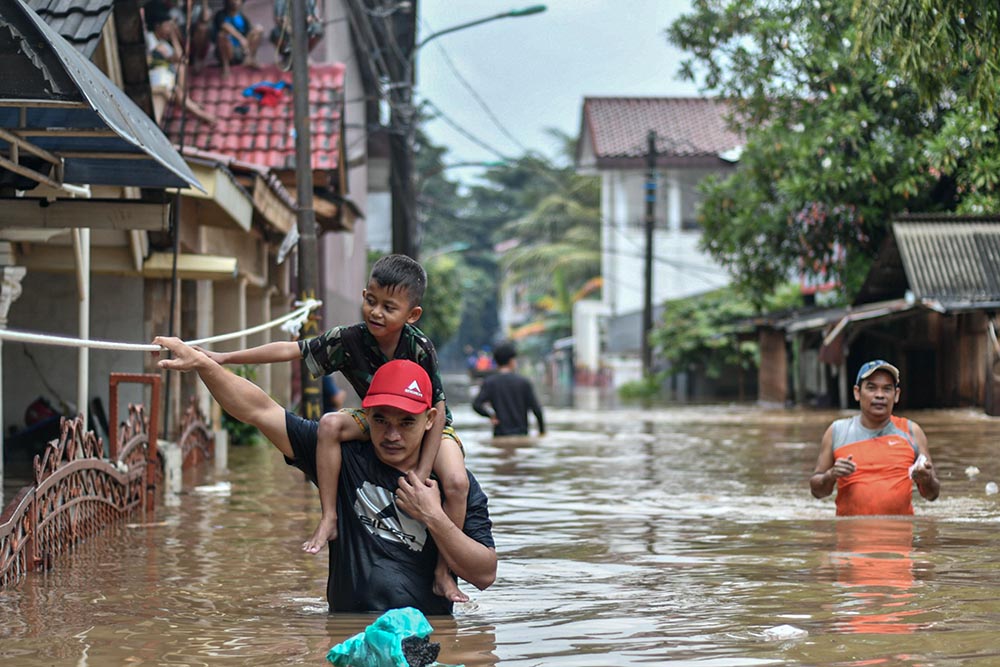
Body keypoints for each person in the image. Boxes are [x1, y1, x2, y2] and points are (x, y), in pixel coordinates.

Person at [194, 254, 470, 603]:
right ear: (363, 295)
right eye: (371, 301)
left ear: (412, 315)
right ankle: (328, 517)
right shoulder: (348, 339)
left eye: (389, 307)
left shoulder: (419, 347)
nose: (376, 313)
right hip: (373, 418)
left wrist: (421, 471)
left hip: (428, 426)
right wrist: (222, 358)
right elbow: (292, 350)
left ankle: (444, 573)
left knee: (457, 483)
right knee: (329, 423)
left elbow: (439, 411)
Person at [154, 338, 497, 615]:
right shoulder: (341, 459)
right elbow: (259, 409)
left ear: (430, 419)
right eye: (381, 420)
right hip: (347, 639)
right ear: (365, 414)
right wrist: (204, 365)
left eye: (406, 422)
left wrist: (433, 515)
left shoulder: (452, 484)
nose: (392, 435)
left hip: (427, 640)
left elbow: (484, 574)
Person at [810, 360, 940, 515]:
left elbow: (932, 494)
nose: (879, 395)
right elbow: (817, 492)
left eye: (887, 389)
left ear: (896, 395)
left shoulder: (912, 431)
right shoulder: (837, 431)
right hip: (850, 530)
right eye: (871, 388)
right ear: (857, 393)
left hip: (900, 530)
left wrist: (926, 480)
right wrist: (831, 475)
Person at [145, 6, 217, 125]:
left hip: (164, 82)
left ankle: (192, 105)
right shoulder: (149, 38)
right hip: (153, 80)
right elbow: (158, 53)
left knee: (180, 71)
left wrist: (173, 36)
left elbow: (180, 58)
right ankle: (200, 113)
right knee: (176, 92)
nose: (169, 29)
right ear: (158, 26)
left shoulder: (164, 43)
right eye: (167, 26)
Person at [473, 341, 545, 437]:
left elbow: (477, 405)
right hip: (521, 434)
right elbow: (537, 410)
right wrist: (542, 432)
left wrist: (491, 415)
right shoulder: (523, 382)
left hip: (500, 434)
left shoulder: (490, 383)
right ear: (511, 361)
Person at [213, 0, 263, 77]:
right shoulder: (220, 15)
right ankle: (225, 66)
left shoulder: (242, 17)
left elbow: (249, 33)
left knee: (258, 29)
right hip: (228, 51)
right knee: (222, 35)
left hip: (241, 50)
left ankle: (250, 59)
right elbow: (225, 26)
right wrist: (240, 38)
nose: (235, 2)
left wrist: (247, 43)